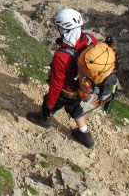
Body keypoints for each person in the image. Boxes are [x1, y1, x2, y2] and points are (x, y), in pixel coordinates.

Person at [26, 8, 96, 149]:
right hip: (83, 87)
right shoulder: (90, 39)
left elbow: (56, 85)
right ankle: (85, 135)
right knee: (75, 108)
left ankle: (44, 118)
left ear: (63, 29)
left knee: (50, 101)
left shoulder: (61, 56)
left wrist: (50, 102)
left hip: (67, 90)